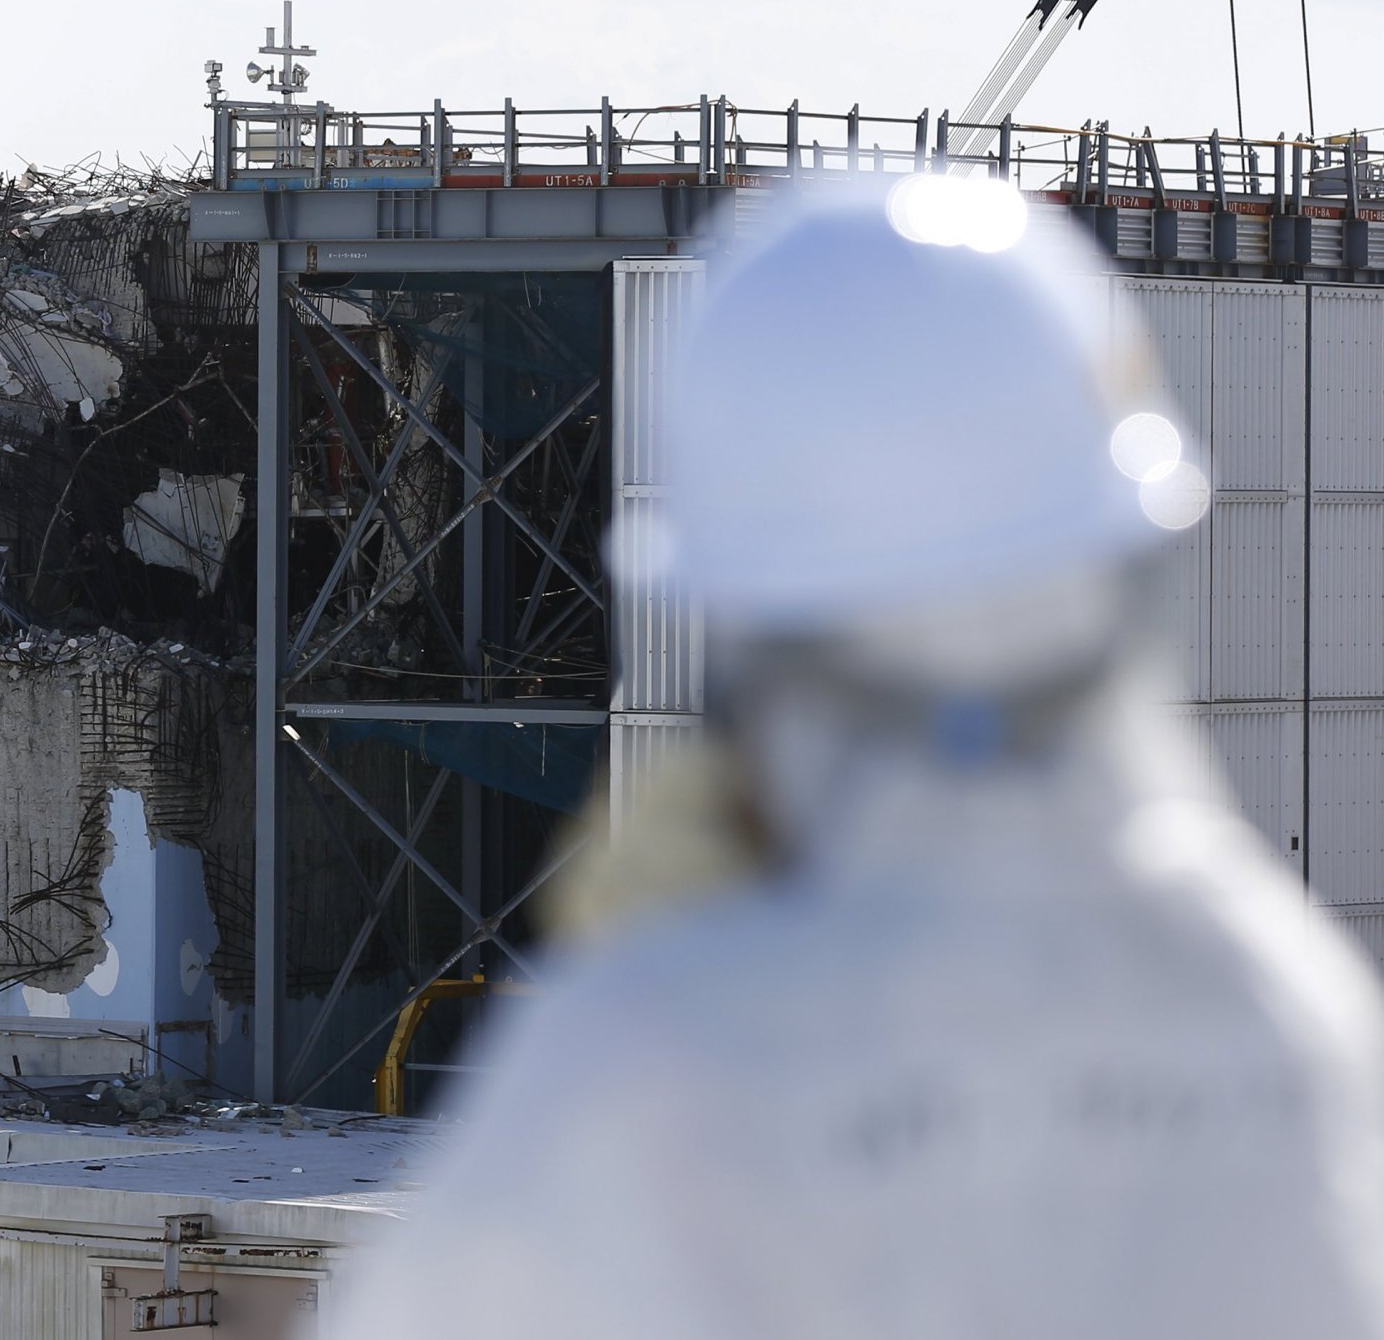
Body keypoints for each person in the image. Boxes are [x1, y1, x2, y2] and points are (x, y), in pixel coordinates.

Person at [330, 176, 1384, 1339]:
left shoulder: (651, 1060)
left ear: (733, 615)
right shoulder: (1275, 997)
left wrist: (631, 983)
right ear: (1130, 567)